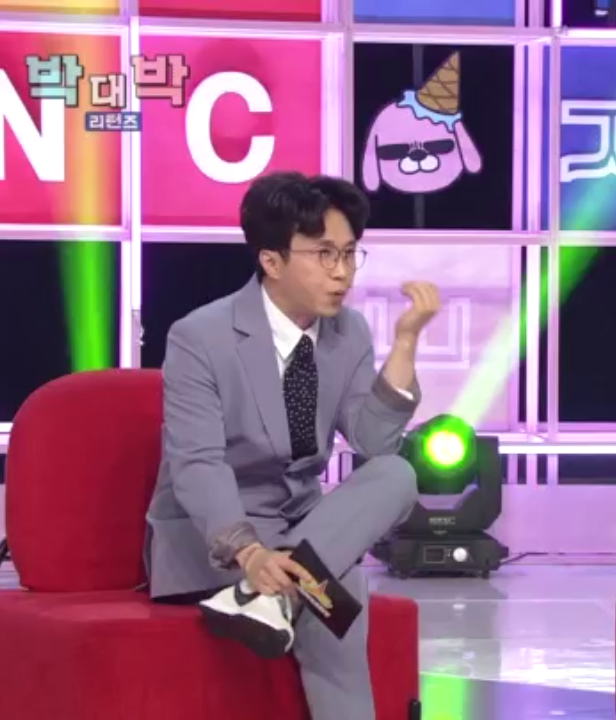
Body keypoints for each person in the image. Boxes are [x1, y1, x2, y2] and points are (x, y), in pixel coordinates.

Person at [144, 171, 438, 720]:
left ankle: (274, 597)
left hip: (305, 533)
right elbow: (198, 464)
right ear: (271, 261)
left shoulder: (349, 332)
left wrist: (405, 342)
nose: (342, 272)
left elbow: (374, 441)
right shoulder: (200, 337)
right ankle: (268, 586)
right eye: (324, 254)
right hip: (218, 543)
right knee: (335, 588)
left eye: (349, 254)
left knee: (396, 474)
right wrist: (250, 554)